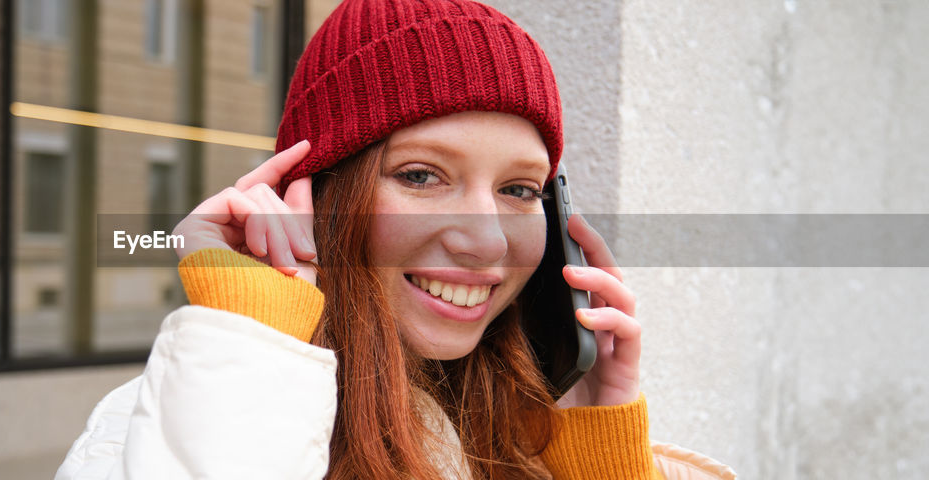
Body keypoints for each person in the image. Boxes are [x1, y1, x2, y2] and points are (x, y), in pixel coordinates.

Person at [56, 0, 736, 478]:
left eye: (519, 190)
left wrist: (597, 451)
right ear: (312, 197)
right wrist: (252, 340)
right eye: (421, 175)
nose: (486, 241)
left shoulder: (520, 439)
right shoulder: (169, 422)